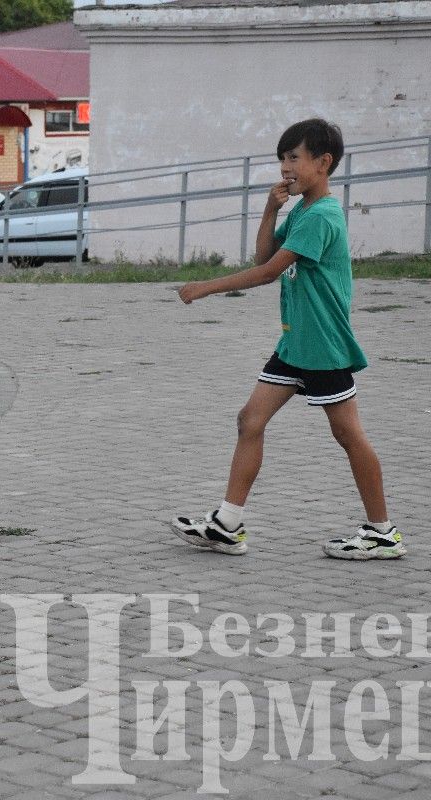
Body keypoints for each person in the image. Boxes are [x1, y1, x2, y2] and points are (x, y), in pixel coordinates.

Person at [171, 118, 403, 561]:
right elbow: (264, 255)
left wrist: (205, 287)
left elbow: (267, 273)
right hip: (296, 344)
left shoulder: (323, 215)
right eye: (282, 158)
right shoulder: (301, 210)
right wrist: (269, 209)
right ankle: (227, 525)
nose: (285, 167)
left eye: (294, 157)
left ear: (323, 162)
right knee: (250, 421)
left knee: (349, 435)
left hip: (324, 346)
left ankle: (382, 532)